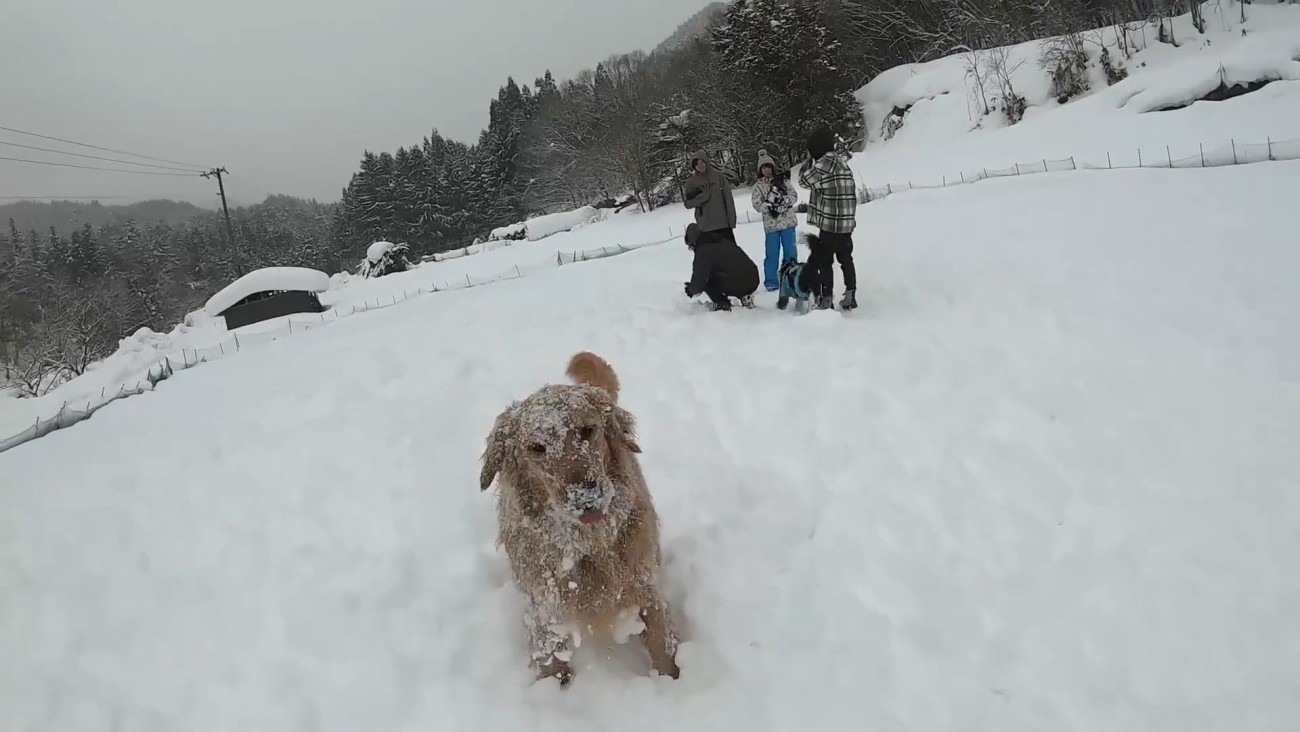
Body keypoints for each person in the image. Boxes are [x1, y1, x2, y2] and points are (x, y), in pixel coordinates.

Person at [798, 125, 859, 310]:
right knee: (846, 260)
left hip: (830, 225)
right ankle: (850, 295)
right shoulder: (842, 163)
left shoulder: (825, 163)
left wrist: (808, 162)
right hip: (847, 225)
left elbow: (803, 181)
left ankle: (826, 299)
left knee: (825, 262)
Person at [751, 149, 799, 292]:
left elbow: (794, 196)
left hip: (788, 223)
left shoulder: (784, 181)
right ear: (760, 170)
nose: (767, 170)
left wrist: (784, 201)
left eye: (769, 167)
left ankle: (791, 277)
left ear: (773, 167)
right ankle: (771, 281)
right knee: (772, 254)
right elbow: (756, 204)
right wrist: (769, 206)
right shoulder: (758, 187)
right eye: (764, 168)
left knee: (790, 252)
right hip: (771, 226)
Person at [682, 223, 759, 312]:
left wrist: (690, 290)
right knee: (730, 272)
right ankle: (745, 296)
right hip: (753, 278)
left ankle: (722, 304)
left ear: (693, 242)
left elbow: (699, 280)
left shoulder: (703, 251)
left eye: (690, 246)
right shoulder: (721, 240)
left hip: (739, 283)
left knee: (708, 283)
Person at [683, 150, 738, 242]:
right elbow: (687, 204)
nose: (700, 165)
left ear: (706, 162)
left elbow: (728, 199)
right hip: (705, 227)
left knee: (730, 253)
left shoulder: (719, 177)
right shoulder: (691, 183)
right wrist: (700, 199)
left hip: (723, 224)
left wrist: (731, 220)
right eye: (697, 164)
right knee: (713, 255)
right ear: (694, 167)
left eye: (702, 162)